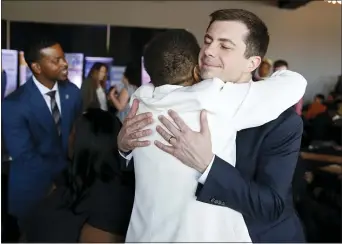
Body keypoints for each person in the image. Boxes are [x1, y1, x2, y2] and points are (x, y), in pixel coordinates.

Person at [117, 9, 306, 242]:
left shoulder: (282, 121)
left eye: (224, 46)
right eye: (207, 41)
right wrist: (125, 147)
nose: (208, 51)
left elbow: (271, 205)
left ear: (252, 62)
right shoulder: (176, 97)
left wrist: (209, 166)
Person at [1, 39, 82, 226]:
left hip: (69, 194)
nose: (64, 64)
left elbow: (77, 135)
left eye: (63, 58)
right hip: (33, 193)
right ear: (37, 67)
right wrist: (63, 177)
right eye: (56, 60)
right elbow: (23, 155)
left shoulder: (73, 93)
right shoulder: (14, 105)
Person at [22, 109, 134, 243]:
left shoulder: (112, 201)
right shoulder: (68, 175)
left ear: (85, 143)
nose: (68, 138)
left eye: (73, 133)